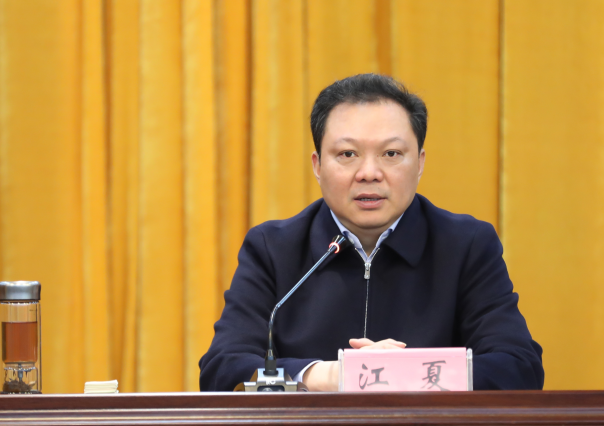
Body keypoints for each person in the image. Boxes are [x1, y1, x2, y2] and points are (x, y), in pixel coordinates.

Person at [199, 74, 543, 392]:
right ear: (317, 165)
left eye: (391, 154)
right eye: (347, 154)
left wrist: (401, 373)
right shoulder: (273, 248)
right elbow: (223, 370)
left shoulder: (465, 245)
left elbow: (519, 368)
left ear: (420, 162)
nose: (369, 173)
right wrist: (329, 375)